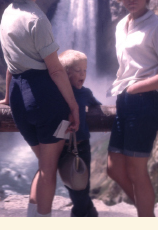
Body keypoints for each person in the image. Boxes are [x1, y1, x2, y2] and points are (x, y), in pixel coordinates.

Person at [0, 0, 80, 217]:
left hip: (20, 101)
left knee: (44, 166)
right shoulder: (37, 19)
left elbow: (11, 66)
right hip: (46, 101)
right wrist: (74, 106)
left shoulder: (7, 15)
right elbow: (55, 70)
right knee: (48, 171)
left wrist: (7, 98)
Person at [106, 0, 158, 217]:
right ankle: (146, 211)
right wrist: (127, 91)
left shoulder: (157, 26)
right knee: (114, 168)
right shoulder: (121, 25)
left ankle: (146, 217)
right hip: (125, 100)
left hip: (146, 101)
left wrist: (136, 88)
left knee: (137, 171)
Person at [55, 50, 100, 217]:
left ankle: (83, 213)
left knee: (82, 184)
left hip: (82, 146)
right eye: (78, 70)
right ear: (66, 73)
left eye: (85, 70)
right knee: (72, 183)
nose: (83, 74)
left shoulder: (85, 93)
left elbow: (96, 104)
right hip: (63, 147)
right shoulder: (57, 93)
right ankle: (85, 212)